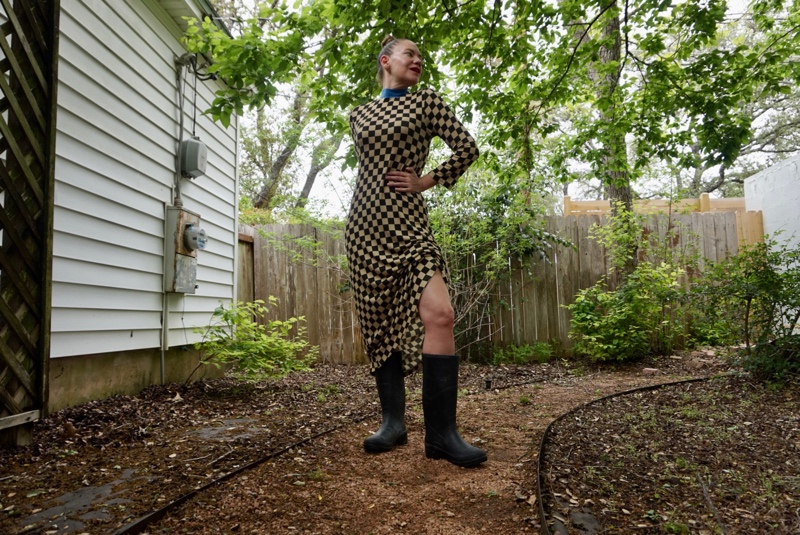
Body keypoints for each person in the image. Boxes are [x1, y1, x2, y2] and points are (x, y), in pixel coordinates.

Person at [345, 35, 486, 468]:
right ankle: (393, 423)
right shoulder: (358, 114)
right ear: (386, 61)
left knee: (440, 313)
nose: (418, 60)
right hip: (364, 228)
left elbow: (467, 148)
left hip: (410, 226)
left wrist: (425, 180)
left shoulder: (426, 102)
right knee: (379, 322)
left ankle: (442, 435)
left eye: (421, 56)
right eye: (410, 54)